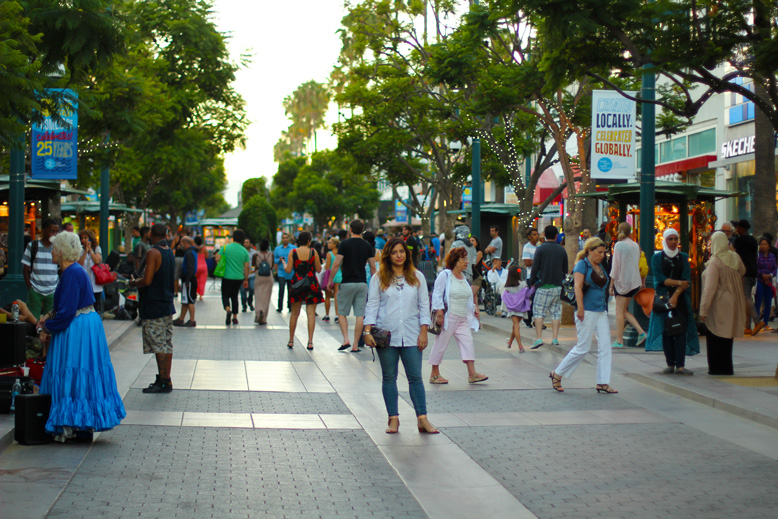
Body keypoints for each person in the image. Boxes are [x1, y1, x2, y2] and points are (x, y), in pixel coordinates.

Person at [36, 231, 126, 442]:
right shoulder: (74, 271)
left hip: (77, 328)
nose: (51, 252)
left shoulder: (70, 273)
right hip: (85, 324)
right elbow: (64, 306)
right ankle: (80, 424)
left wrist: (45, 328)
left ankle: (73, 424)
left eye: (54, 248)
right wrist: (49, 317)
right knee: (82, 372)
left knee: (72, 371)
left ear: (60, 251)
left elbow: (66, 313)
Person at [363, 238, 438, 434]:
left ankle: (422, 418)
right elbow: (371, 306)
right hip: (386, 334)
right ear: (388, 255)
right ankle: (393, 418)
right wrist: (367, 331)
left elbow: (424, 307)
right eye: (395, 252)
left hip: (413, 334)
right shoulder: (378, 278)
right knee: (389, 377)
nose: (399, 255)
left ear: (407, 254)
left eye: (402, 252)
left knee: (415, 377)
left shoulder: (417, 277)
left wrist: (424, 332)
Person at [549, 237, 617, 393]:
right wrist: (580, 308)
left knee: (605, 346)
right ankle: (557, 373)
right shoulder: (582, 265)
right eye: (599, 252)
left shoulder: (600, 266)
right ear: (590, 251)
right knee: (583, 347)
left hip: (601, 310)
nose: (602, 255)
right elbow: (577, 287)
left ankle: (602, 381)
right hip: (586, 310)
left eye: (604, 253)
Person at [428, 247, 488, 384]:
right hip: (449, 317)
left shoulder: (463, 278)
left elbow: (466, 296)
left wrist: (473, 308)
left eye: (467, 259)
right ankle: (434, 373)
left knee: (468, 342)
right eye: (463, 259)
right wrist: (439, 312)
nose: (467, 262)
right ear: (455, 260)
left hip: (463, 317)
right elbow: (437, 293)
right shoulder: (445, 275)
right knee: (441, 344)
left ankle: (472, 373)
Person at [130, 223, 176, 393]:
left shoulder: (152, 252)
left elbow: (147, 280)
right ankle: (166, 379)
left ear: (151, 233)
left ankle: (163, 381)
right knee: (166, 343)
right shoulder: (168, 251)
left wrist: (134, 282)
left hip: (154, 304)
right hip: (167, 304)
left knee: (158, 344)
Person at [646, 228, 699, 374]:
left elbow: (686, 280)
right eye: (670, 239)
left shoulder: (683, 257)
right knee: (667, 331)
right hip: (663, 300)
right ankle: (670, 363)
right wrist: (679, 283)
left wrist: (676, 294)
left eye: (676, 239)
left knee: (680, 330)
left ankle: (680, 365)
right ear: (665, 240)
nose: (673, 242)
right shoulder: (657, 258)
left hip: (680, 300)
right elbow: (660, 279)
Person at [699, 232, 746, 375]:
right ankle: (727, 367)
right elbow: (743, 271)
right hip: (734, 301)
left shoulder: (715, 262)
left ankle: (716, 368)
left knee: (716, 334)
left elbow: (710, 288)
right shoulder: (734, 257)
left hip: (718, 303)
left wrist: (703, 310)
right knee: (727, 336)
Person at [328, 220, 377, 352]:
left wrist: (330, 280)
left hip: (347, 282)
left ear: (350, 229)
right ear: (362, 230)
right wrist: (374, 283)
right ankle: (355, 345)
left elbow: (337, 263)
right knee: (360, 314)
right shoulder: (367, 246)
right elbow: (373, 267)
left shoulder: (344, 244)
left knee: (342, 313)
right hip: (362, 283)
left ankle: (346, 340)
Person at [528, 225, 568, 349]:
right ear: (556, 236)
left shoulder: (540, 249)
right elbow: (565, 269)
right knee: (556, 312)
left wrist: (533, 281)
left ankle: (539, 338)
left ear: (544, 235)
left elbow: (535, 267)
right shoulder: (562, 250)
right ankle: (555, 338)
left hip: (543, 284)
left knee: (539, 311)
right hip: (557, 285)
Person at [608, 222, 647, 348]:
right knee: (623, 310)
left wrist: (611, 284)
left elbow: (615, 266)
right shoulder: (635, 245)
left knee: (619, 311)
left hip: (622, 282)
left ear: (619, 231)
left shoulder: (619, 246)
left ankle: (619, 340)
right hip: (633, 282)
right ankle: (641, 332)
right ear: (630, 232)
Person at [284, 231, 323, 349]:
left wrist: (285, 264)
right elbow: (319, 269)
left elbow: (288, 270)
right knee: (311, 313)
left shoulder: (293, 252)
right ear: (308, 241)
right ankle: (310, 341)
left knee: (294, 313)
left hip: (297, 283)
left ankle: (291, 340)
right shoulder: (313, 252)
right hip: (311, 283)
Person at [21, 217, 60, 319]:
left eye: (56, 232)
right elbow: (25, 270)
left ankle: (47, 335)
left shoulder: (58, 247)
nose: (54, 234)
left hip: (52, 289)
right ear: (44, 230)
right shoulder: (33, 245)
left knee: (50, 319)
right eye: (51, 231)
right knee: (33, 319)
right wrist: (30, 288)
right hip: (35, 288)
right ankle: (34, 335)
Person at [733, 219, 765, 335]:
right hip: (753, 272)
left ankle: (757, 322)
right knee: (748, 299)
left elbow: (735, 254)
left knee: (745, 297)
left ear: (741, 228)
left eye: (738, 228)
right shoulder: (753, 240)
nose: (736, 230)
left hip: (744, 272)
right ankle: (747, 326)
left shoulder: (739, 240)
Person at [216, 229, 250, 326]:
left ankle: (228, 309)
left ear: (233, 237)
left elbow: (217, 258)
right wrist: (246, 279)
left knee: (225, 295)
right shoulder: (244, 251)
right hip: (239, 277)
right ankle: (235, 317)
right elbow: (246, 266)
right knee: (235, 296)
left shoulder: (226, 248)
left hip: (227, 276)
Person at [77, 229, 104, 314]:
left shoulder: (97, 248)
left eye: (86, 237)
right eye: (82, 238)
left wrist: (90, 251)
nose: (83, 240)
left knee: (95, 306)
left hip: (94, 283)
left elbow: (97, 261)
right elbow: (79, 264)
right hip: (84, 281)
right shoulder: (80, 250)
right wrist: (85, 252)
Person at [172, 236, 197, 327]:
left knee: (190, 300)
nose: (180, 245)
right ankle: (181, 318)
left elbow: (190, 267)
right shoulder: (191, 252)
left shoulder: (189, 253)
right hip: (189, 278)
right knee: (185, 300)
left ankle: (192, 320)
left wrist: (187, 280)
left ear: (186, 243)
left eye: (182, 243)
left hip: (189, 279)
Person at [502, 266, 526, 352]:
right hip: (520, 308)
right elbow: (526, 294)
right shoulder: (523, 284)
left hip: (512, 308)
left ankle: (510, 342)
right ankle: (520, 346)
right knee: (517, 326)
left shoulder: (508, 286)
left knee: (515, 326)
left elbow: (504, 296)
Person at [754, 236, 776, 329]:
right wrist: (762, 275)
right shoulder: (758, 256)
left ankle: (765, 323)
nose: (763, 246)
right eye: (761, 244)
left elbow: (775, 268)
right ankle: (757, 323)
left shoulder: (772, 256)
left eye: (765, 244)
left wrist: (770, 275)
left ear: (769, 246)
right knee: (758, 302)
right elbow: (755, 268)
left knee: (768, 302)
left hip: (769, 282)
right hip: (760, 280)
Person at [521, 227, 540, 327]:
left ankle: (534, 319)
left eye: (537, 234)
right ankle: (528, 316)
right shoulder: (527, 247)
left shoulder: (539, 247)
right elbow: (527, 262)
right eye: (534, 234)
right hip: (531, 276)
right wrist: (539, 261)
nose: (536, 236)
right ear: (529, 237)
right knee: (534, 298)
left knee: (538, 298)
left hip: (540, 275)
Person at [253, 239, 274, 325]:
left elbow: (253, 267)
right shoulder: (271, 255)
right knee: (266, 297)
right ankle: (264, 317)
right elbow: (272, 266)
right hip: (269, 277)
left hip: (259, 277)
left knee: (258, 297)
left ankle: (258, 313)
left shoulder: (255, 255)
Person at [274, 233, 295, 313]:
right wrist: (279, 260)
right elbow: (274, 260)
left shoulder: (293, 248)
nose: (285, 239)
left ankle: (290, 306)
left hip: (290, 272)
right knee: (281, 289)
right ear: (282, 239)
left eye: (286, 237)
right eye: (283, 238)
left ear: (288, 239)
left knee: (290, 290)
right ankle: (280, 307)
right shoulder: (277, 249)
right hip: (281, 272)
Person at [322, 237, 342, 323]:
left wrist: (324, 263)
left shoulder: (329, 254)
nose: (328, 244)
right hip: (339, 275)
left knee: (328, 296)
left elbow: (327, 267)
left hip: (330, 275)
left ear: (334, 244)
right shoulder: (340, 253)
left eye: (330, 243)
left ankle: (327, 315)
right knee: (337, 297)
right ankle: (337, 315)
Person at [240, 238, 257, 313]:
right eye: (244, 242)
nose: (245, 244)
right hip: (242, 274)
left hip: (251, 274)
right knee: (242, 292)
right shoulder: (241, 252)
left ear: (250, 243)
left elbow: (255, 263)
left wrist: (253, 270)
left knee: (252, 288)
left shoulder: (254, 253)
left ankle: (250, 301)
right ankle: (244, 305)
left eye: (247, 242)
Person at [469, 235, 485, 304]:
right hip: (471, 276)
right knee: (474, 297)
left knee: (470, 295)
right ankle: (475, 312)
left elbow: (474, 263)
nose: (471, 242)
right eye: (470, 241)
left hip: (477, 277)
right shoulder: (470, 252)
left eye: (473, 241)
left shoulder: (479, 252)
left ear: (477, 243)